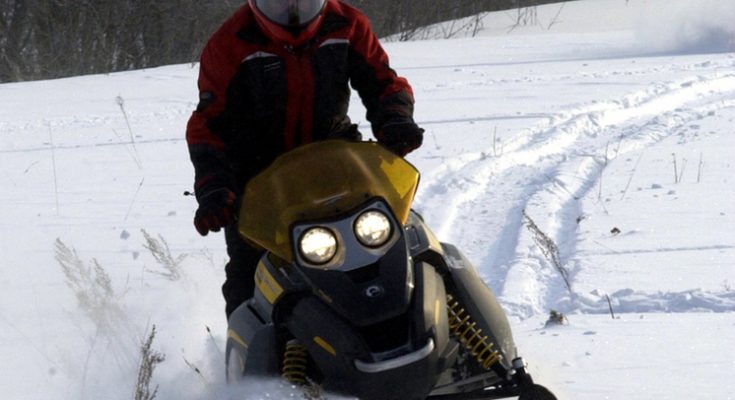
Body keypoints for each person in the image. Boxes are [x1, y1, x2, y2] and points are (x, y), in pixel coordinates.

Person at [186, 0, 424, 318]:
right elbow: (208, 124)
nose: (292, 10)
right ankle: (251, 347)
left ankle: (456, 318)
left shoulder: (347, 24)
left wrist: (395, 119)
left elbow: (382, 82)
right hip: (260, 178)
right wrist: (213, 187)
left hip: (338, 158)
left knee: (405, 238)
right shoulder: (230, 42)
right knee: (249, 276)